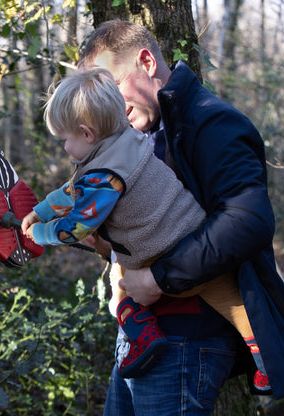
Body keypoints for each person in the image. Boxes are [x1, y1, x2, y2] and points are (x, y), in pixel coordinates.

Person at [74, 20, 284, 415]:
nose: (109, 107)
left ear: (147, 62)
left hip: (188, 337)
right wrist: (104, 244)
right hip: (142, 339)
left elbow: (247, 220)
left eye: (113, 87)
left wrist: (157, 278)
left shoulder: (212, 122)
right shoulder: (136, 139)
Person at [21, 66, 271, 395]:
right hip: (193, 236)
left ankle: (145, 335)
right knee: (239, 311)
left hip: (165, 257)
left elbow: (77, 226)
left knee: (121, 288)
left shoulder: (104, 176)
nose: (64, 148)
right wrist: (39, 211)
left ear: (87, 134)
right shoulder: (126, 140)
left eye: (65, 139)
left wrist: (40, 233)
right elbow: (71, 191)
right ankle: (265, 364)